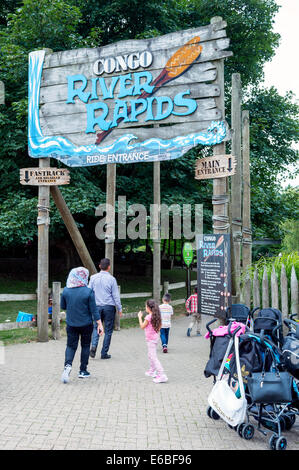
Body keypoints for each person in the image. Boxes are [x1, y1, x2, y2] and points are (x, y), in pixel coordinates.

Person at [60, 267, 103, 383]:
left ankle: (67, 366)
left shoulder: (66, 290)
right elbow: (94, 310)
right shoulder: (88, 291)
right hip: (86, 324)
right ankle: (83, 371)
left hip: (71, 323)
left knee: (70, 346)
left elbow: (63, 306)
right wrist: (99, 324)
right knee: (85, 346)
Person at [89, 258, 122, 359]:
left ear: (99, 266)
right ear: (109, 267)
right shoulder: (112, 279)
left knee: (96, 327)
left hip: (97, 306)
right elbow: (116, 296)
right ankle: (104, 353)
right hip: (109, 307)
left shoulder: (93, 278)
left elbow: (89, 291)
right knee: (108, 330)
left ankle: (94, 346)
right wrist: (119, 308)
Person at [138, 299, 168, 384]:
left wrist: (139, 317)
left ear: (148, 308)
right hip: (154, 338)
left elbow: (142, 326)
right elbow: (160, 326)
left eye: (146, 306)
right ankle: (152, 371)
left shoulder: (148, 317)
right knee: (150, 355)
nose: (145, 308)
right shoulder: (156, 316)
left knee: (153, 357)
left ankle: (162, 375)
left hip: (151, 340)